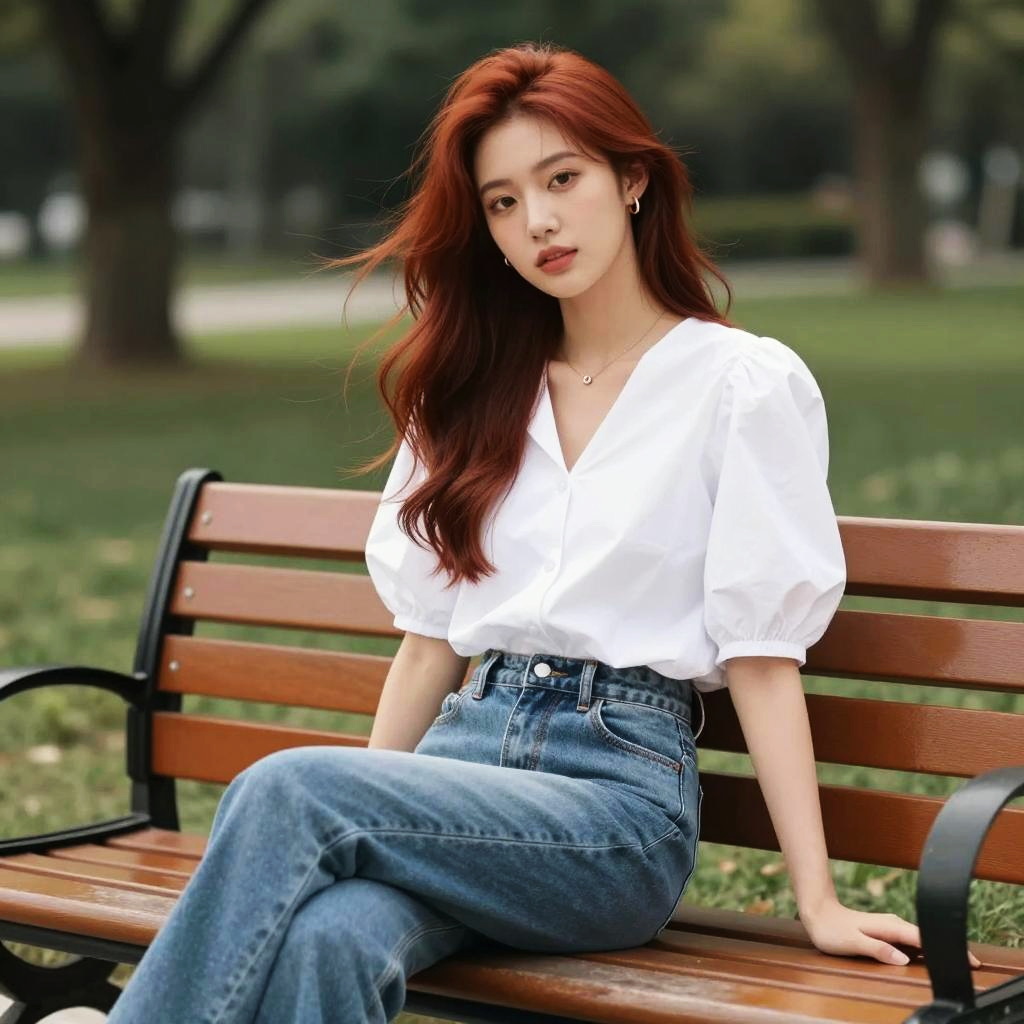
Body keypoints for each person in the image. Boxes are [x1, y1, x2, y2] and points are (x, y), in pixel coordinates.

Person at [106, 40, 941, 1024]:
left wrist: (817, 899)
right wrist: (373, 802)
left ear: (631, 180)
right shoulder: (471, 390)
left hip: (614, 809)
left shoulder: (737, 385)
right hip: (463, 768)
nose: (536, 220)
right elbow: (428, 644)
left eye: (561, 179)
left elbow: (761, 654)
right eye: (502, 202)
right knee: (334, 933)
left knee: (286, 790)